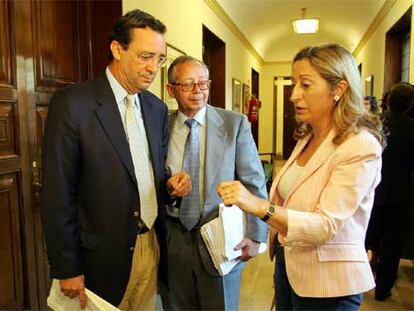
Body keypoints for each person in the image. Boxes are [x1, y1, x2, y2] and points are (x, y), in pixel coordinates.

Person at [41, 9, 190, 310]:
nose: (153, 68)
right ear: (117, 49)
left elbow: (146, 174)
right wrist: (67, 267)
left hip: (150, 246)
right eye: (145, 56)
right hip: (98, 258)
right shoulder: (73, 105)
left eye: (159, 59)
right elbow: (57, 193)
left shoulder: (156, 108)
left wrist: (169, 187)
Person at [217, 43, 385, 310]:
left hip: (329, 283)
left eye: (305, 85)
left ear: (338, 89)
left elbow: (325, 226)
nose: (294, 95)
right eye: (294, 84)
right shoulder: (309, 136)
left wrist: (259, 206)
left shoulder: (359, 146)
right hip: (290, 268)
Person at [160, 55, 268, 310]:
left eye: (203, 84)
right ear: (171, 89)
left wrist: (255, 235)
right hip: (174, 237)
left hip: (220, 235)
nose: (198, 91)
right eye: (188, 85)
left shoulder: (234, 123)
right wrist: (168, 186)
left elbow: (253, 181)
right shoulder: (160, 125)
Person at [365, 82, 414, 301]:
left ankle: (355, 282)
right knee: (392, 245)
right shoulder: (412, 127)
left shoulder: (375, 122)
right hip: (399, 194)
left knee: (363, 238)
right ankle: (382, 290)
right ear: (410, 104)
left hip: (372, 189)